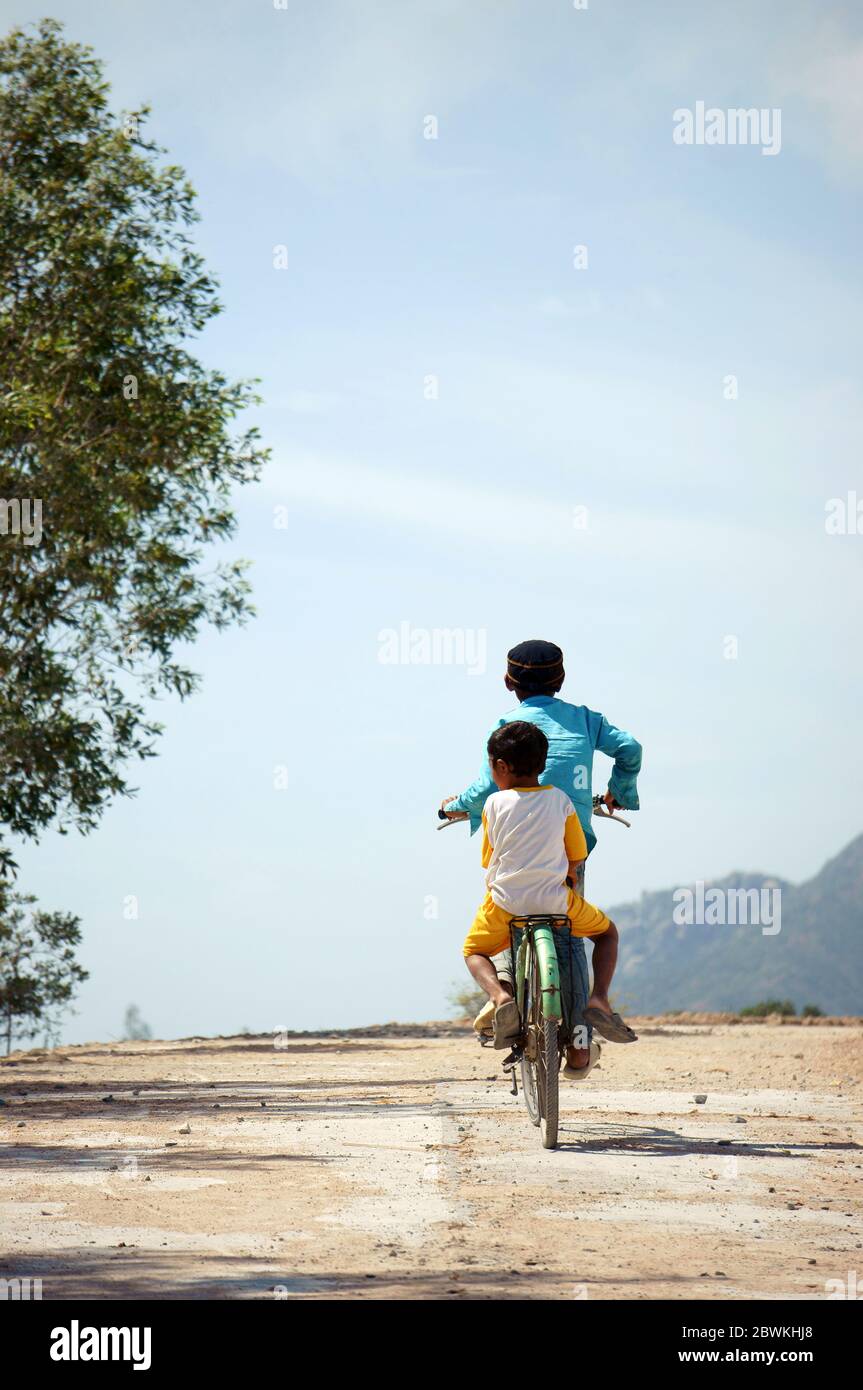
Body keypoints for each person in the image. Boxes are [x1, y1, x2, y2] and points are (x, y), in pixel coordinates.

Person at [442, 638, 642, 1070]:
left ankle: (504, 997)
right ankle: (582, 1038)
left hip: (511, 881)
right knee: (570, 936)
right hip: (571, 848)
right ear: (562, 679)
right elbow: (630, 749)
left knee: (499, 906)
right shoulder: (587, 720)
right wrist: (619, 791)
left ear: (508, 682)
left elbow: (484, 791)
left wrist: (456, 804)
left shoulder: (506, 728)